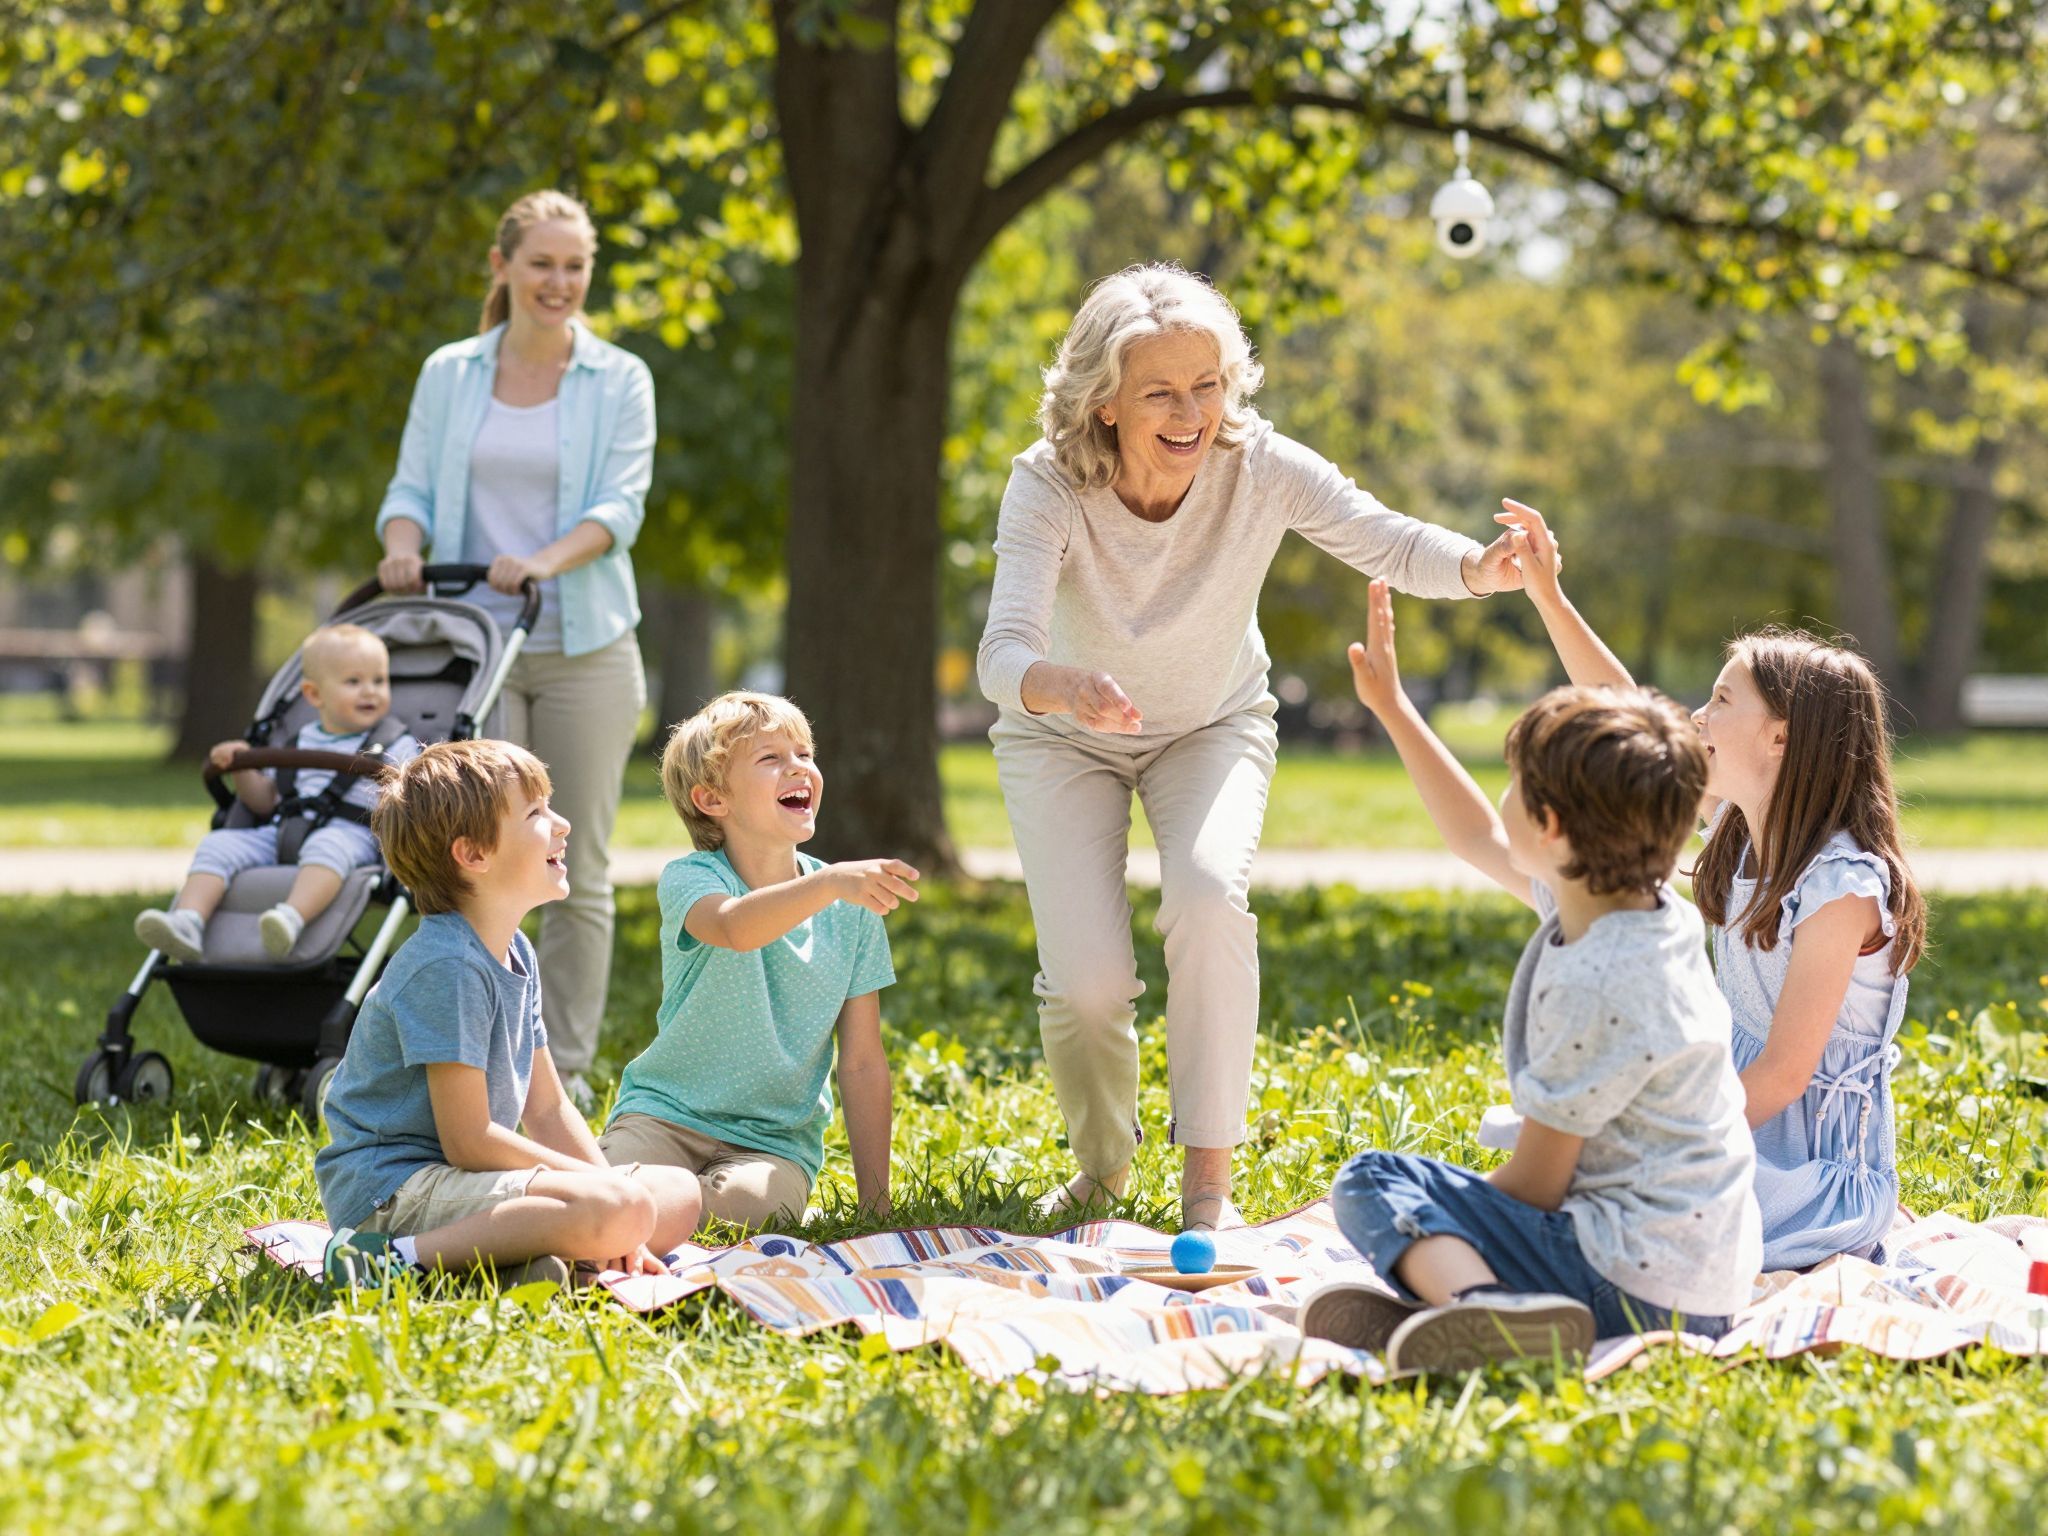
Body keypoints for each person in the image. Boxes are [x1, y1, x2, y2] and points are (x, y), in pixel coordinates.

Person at [975, 262, 1527, 1231]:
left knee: (1206, 900)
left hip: (1210, 725)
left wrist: (1474, 569)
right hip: (1060, 735)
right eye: (1159, 392)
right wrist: (1060, 686)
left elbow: (1379, 535)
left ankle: (1205, 1193)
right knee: (1089, 982)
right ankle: (1102, 1167)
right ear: (1104, 403)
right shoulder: (1046, 482)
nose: (1190, 412)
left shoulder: (1257, 463)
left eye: (1207, 384)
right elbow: (1001, 651)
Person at [1299, 582, 1761, 1373]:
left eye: (1514, 785)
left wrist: (1446, 1216)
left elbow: (1539, 1188)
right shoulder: (1648, 908)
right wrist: (1394, 708)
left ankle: (1484, 1313)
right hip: (1705, 1284)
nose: (1502, 800)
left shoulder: (1602, 979)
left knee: (1376, 1180)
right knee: (1431, 1200)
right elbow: (1477, 835)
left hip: (1634, 1285)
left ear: (1550, 828)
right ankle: (1449, 1298)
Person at [1495, 501, 1925, 1269]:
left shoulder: (1842, 887)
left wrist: (1668, 1140)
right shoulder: (1734, 830)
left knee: (1598, 1186)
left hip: (1810, 1180)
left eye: (1721, 700)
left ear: (1781, 737)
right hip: (1727, 1133)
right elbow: (1631, 716)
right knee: (1567, 1164)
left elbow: (1785, 1076)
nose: (1695, 715)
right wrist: (1549, 599)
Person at [374, 188, 655, 1108]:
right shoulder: (450, 372)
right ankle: (474, 1064)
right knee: (477, 858)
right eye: (542, 263)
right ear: (503, 268)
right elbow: (409, 484)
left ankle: (559, 1074)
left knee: (579, 869)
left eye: (576, 266)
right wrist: (402, 546)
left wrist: (539, 561)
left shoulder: (619, 378)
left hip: (586, 643)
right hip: (477, 645)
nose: (560, 282)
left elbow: (618, 510)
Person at [314, 739, 701, 1287]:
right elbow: (469, 1140)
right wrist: (611, 1199)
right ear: (474, 855)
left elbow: (545, 1109)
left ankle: (531, 1263)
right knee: (624, 1207)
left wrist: (609, 1191)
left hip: (460, 1180)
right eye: (536, 813)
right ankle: (386, 1261)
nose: (562, 824)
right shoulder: (446, 967)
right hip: (391, 1192)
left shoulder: (514, 949)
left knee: (678, 1195)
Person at [598, 693, 906, 1230]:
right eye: (770, 758)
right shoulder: (692, 879)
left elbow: (861, 1062)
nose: (799, 768)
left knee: (753, 1208)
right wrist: (829, 882)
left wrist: (875, 1204)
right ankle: (633, 1205)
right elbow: (736, 927)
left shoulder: (852, 910)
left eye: (805, 753)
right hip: (665, 1115)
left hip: (772, 1143)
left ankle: (642, 1212)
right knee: (606, 1187)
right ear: (713, 799)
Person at [135, 624, 421, 962]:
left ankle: (290, 918)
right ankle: (188, 921)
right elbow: (265, 800)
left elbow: (412, 798)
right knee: (218, 844)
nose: (370, 692)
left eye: (379, 681)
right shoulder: (297, 742)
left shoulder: (395, 744)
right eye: (353, 682)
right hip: (281, 830)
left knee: (327, 846)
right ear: (314, 695)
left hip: (352, 834)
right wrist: (242, 766)